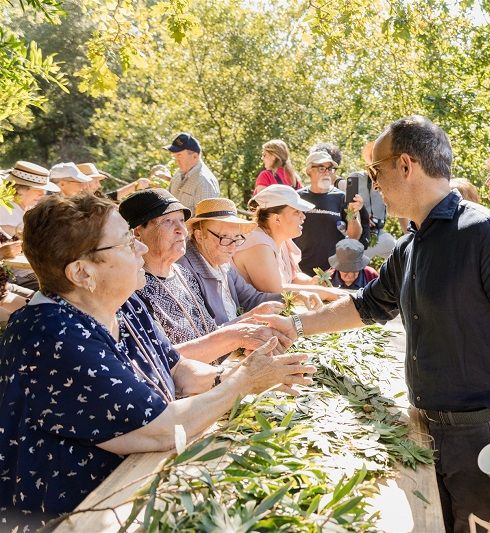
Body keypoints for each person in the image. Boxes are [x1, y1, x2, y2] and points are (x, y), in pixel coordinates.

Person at [266, 116, 490, 533]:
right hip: (428, 431)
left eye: (377, 171)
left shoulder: (487, 234)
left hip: (486, 435)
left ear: (406, 165)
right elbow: (370, 306)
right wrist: (296, 326)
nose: (374, 185)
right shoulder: (413, 244)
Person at [0, 193, 315, 529]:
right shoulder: (52, 335)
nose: (140, 248)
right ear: (82, 272)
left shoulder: (123, 302)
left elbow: (176, 369)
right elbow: (160, 429)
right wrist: (244, 382)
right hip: (74, 516)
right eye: (125, 242)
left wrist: (230, 375)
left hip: (132, 487)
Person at [119, 189, 289, 360]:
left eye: (181, 221)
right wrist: (240, 335)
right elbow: (160, 361)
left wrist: (249, 322)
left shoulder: (183, 275)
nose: (182, 230)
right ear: (137, 232)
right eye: (168, 221)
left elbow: (209, 333)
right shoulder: (133, 290)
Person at [179, 197, 322, 324]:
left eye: (237, 238)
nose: (233, 247)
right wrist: (248, 319)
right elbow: (202, 333)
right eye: (225, 237)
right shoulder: (183, 271)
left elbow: (251, 299)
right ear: (199, 236)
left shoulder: (224, 265)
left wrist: (292, 298)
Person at [233, 185, 345, 301]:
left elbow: (291, 278)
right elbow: (276, 292)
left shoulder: (282, 240)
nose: (303, 216)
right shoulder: (258, 244)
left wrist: (311, 282)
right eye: (296, 212)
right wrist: (327, 293)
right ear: (277, 219)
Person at [292, 151, 369, 275]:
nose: (327, 172)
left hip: (333, 272)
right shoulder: (297, 197)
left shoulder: (341, 198)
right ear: (309, 171)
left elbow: (354, 236)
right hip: (299, 270)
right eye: (321, 168)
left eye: (330, 168)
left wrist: (353, 213)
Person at [0, 161, 60, 290]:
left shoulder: (25, 209)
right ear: (20, 190)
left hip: (29, 271)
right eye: (38, 190)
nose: (43, 194)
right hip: (16, 276)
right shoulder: (6, 212)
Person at [164, 132, 220, 214]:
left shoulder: (204, 182)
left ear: (195, 156)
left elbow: (204, 222)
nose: (176, 160)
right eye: (174, 156)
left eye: (179, 155)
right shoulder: (177, 175)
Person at [358, 142, 396, 260]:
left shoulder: (390, 181)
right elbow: (348, 207)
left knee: (396, 248)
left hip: (379, 232)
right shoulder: (358, 178)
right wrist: (363, 217)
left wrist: (408, 235)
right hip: (359, 230)